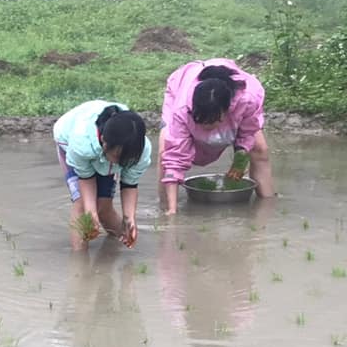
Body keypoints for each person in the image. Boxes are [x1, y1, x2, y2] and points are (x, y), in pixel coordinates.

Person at [158, 58, 275, 215]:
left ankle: (267, 206)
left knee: (260, 149)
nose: (207, 128)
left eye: (211, 122)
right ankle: (166, 207)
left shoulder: (248, 98)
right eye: (201, 122)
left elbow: (247, 132)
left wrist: (241, 155)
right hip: (181, 86)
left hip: (232, 97)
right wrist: (172, 212)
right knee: (164, 151)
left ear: (227, 112)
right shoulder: (183, 108)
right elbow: (174, 158)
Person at [54, 100, 151, 251]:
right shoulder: (82, 144)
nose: (122, 164)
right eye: (119, 159)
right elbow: (85, 177)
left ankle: (120, 242)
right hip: (68, 141)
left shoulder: (139, 150)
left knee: (104, 208)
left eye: (127, 161)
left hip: (107, 148)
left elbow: (130, 184)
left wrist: (129, 218)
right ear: (104, 143)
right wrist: (91, 211)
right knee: (82, 204)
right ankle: (80, 262)